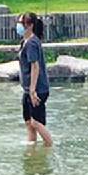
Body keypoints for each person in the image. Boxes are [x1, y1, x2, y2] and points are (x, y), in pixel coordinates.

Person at [17, 12, 52, 148]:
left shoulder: (32, 43)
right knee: (29, 122)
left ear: (29, 25)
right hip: (27, 90)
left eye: (21, 23)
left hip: (37, 90)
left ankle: (49, 146)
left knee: (36, 122)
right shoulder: (24, 42)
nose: (18, 26)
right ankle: (33, 151)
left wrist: (33, 91)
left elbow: (35, 66)